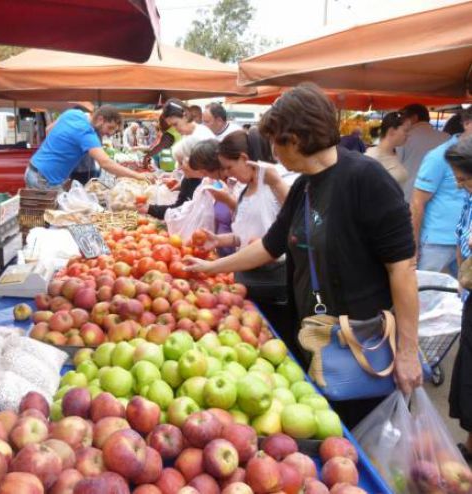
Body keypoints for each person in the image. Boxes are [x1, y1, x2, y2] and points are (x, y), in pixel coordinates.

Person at [184, 83, 422, 428]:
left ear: (294, 139)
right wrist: (211, 266)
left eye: (276, 144)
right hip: (315, 338)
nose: (274, 155)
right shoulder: (304, 186)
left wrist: (408, 351)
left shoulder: (366, 179)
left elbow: (402, 269)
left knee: (361, 433)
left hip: (359, 345)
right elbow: (269, 246)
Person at [189, 135, 292, 341]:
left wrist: (277, 183)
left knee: (277, 337)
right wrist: (220, 240)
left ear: (244, 158)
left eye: (228, 167)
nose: (226, 174)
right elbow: (243, 237)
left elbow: (298, 217)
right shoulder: (246, 189)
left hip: (273, 283)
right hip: (248, 282)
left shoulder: (277, 180)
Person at [26, 106, 150, 190]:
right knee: (58, 220)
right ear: (100, 119)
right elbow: (106, 163)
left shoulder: (73, 113)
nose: (110, 133)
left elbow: (49, 130)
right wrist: (139, 176)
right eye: (110, 128)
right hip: (45, 179)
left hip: (33, 169)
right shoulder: (87, 133)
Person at [411, 108, 472, 275]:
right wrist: (414, 245)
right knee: (428, 293)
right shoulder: (439, 156)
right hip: (437, 242)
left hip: (465, 242)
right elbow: (417, 202)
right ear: (467, 123)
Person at [445, 135, 472, 463]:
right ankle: (468, 446)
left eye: (463, 178)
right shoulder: (468, 198)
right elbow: (461, 237)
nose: (460, 184)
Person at [398, 103, 449, 199]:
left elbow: (395, 166)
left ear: (414, 118)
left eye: (403, 117)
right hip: (440, 196)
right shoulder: (447, 138)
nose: (401, 121)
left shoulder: (404, 137)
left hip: (409, 194)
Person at [162, 99, 215, 166]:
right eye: (171, 126)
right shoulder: (187, 135)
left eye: (175, 124)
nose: (175, 129)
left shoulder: (201, 136)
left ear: (185, 116)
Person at [365, 112, 410, 185]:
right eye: (405, 130)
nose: (408, 134)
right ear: (391, 131)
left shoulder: (394, 153)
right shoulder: (372, 157)